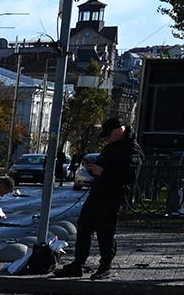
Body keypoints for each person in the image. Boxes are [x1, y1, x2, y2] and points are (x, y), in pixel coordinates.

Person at [55, 117, 142, 279]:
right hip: (97, 192)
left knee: (105, 231)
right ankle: (78, 264)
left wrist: (104, 173)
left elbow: (131, 176)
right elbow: (102, 168)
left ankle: (105, 266)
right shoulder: (110, 148)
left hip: (114, 196)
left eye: (109, 135)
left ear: (120, 130)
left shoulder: (132, 150)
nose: (107, 138)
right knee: (84, 226)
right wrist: (91, 168)